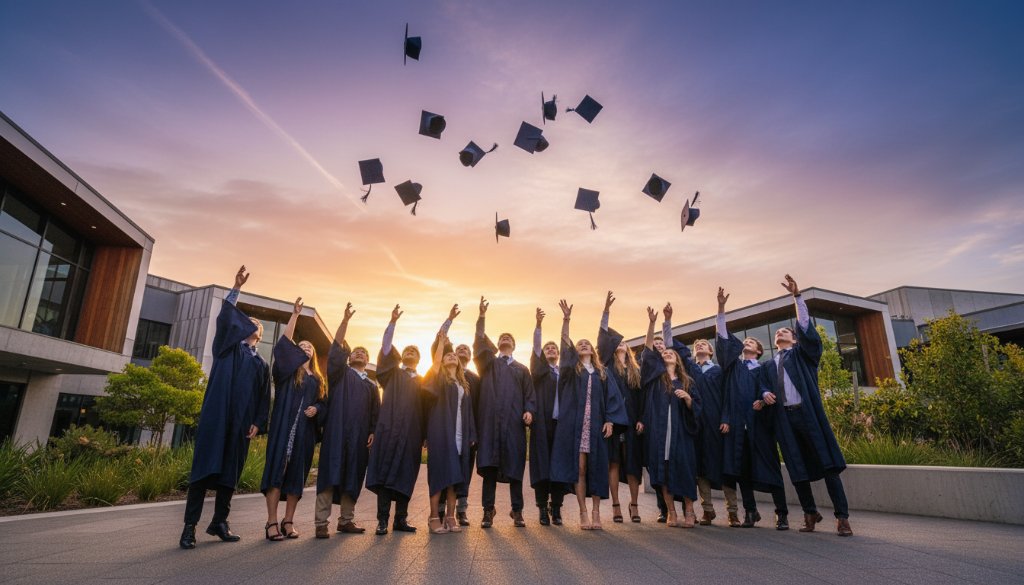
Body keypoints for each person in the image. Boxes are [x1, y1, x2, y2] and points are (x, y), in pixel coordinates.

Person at [180, 266, 271, 549]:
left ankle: (220, 521)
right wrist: (236, 289)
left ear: (260, 333)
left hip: (241, 425)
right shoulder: (226, 349)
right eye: (247, 320)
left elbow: (263, 397)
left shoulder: (261, 364)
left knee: (230, 475)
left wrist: (258, 421)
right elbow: (225, 321)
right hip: (217, 419)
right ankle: (189, 528)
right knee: (202, 472)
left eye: (255, 322)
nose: (250, 322)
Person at [758, 275, 852, 536]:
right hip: (785, 418)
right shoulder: (768, 364)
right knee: (797, 468)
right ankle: (809, 513)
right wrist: (764, 393)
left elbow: (805, 327)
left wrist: (797, 298)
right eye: (778, 332)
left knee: (829, 466)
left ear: (796, 339)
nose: (780, 332)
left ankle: (842, 517)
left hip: (808, 415)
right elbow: (762, 386)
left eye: (785, 331)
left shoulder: (803, 356)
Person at [549, 299, 628, 530]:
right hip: (576, 427)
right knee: (580, 469)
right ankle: (583, 512)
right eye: (580, 344)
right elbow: (564, 346)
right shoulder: (571, 371)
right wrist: (566, 320)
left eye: (587, 343)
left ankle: (596, 513)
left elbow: (613, 398)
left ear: (593, 350)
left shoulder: (602, 373)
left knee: (596, 469)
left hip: (596, 427)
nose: (583, 345)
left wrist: (611, 420)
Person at [716, 287, 790, 530]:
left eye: (750, 342)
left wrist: (765, 395)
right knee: (742, 470)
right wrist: (721, 309)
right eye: (744, 341)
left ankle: (782, 513)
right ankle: (750, 511)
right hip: (739, 426)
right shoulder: (734, 368)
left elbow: (767, 387)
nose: (745, 343)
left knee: (770, 467)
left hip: (760, 426)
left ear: (758, 351)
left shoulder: (765, 367)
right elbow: (724, 340)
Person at [261, 297, 326, 540]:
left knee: (296, 476)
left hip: (304, 434)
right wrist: (295, 316)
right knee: (277, 473)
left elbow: (323, 402)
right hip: (283, 430)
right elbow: (284, 345)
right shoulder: (286, 373)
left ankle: (289, 521)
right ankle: (271, 523)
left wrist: (317, 410)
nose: (306, 348)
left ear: (314, 354)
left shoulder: (318, 379)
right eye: (302, 345)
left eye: (310, 347)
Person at [314, 303, 381, 539]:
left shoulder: (371, 386)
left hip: (360, 436)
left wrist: (372, 431)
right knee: (330, 472)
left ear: (367, 360)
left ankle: (346, 520)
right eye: (355, 352)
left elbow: (376, 413)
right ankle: (321, 523)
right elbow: (335, 349)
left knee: (353, 475)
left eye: (364, 353)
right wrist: (344, 321)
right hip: (337, 431)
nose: (359, 353)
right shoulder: (340, 374)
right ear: (349, 357)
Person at [474, 296, 537, 528]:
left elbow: (530, 395)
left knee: (515, 470)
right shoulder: (488, 364)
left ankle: (517, 510)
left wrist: (529, 411)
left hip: (513, 426)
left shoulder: (522, 369)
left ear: (514, 345)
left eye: (508, 337)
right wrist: (481, 317)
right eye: (501, 337)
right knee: (490, 468)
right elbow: (480, 343)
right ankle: (488, 510)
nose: (504, 339)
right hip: (490, 424)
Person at [639, 305, 701, 528]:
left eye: (670, 352)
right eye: (664, 352)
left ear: (677, 359)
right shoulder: (655, 378)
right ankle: (671, 512)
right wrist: (653, 323)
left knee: (684, 470)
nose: (667, 353)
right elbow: (647, 352)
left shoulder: (687, 382)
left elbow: (697, 408)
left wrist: (687, 399)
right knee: (662, 473)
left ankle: (690, 511)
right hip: (659, 433)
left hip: (681, 434)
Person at [366, 304, 425, 535]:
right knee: (383, 473)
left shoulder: (423, 381)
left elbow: (428, 409)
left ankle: (400, 519)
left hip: (411, 433)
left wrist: (425, 435)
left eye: (413, 351)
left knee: (405, 474)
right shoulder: (392, 374)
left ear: (419, 359)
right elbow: (386, 347)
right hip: (388, 429)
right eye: (407, 350)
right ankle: (382, 520)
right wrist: (392, 323)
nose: (409, 352)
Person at [423, 307, 478, 534]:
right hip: (440, 434)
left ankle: (450, 516)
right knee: (439, 475)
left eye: (454, 354)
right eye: (448, 354)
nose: (452, 355)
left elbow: (470, 413)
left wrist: (472, 434)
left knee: (455, 477)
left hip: (460, 435)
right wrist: (449, 321)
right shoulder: (438, 378)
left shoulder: (464, 385)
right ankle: (434, 516)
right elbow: (438, 351)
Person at [596, 291, 645, 523]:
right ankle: (616, 505)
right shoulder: (607, 366)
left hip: (633, 421)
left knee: (633, 465)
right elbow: (602, 338)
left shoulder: (635, 370)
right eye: (618, 342)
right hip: (614, 423)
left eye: (624, 342)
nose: (621, 343)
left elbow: (641, 397)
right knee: (613, 462)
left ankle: (634, 506)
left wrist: (641, 418)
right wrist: (606, 311)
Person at [528, 307, 566, 526]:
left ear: (558, 354)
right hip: (542, 424)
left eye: (554, 348)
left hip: (561, 425)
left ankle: (557, 508)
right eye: (547, 348)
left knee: (559, 465)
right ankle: (543, 508)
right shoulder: (540, 373)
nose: (551, 349)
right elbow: (535, 348)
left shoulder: (565, 372)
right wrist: (538, 326)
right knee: (542, 465)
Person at [437, 341, 480, 527]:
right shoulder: (443, 375)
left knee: (464, 472)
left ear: (470, 357)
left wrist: (474, 433)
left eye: (466, 349)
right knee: (443, 469)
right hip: (446, 431)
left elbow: (477, 407)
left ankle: (461, 510)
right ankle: (439, 510)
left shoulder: (475, 379)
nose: (462, 350)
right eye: (459, 348)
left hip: (468, 433)